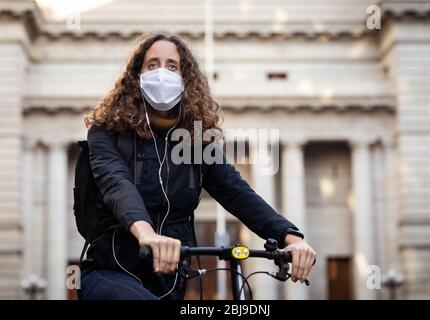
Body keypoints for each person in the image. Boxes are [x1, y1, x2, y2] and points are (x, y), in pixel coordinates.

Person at [78, 32, 316, 300]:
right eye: (152, 65)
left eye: (172, 66)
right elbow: (116, 184)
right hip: (109, 272)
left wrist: (291, 237)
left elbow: (239, 193)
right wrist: (146, 234)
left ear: (184, 79)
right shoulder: (106, 132)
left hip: (168, 280)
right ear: (137, 76)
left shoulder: (197, 144)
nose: (162, 73)